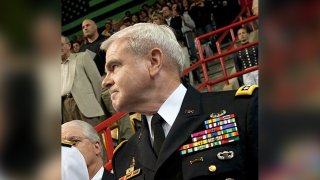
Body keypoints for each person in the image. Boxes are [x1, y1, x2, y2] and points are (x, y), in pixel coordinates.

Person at [100, 23, 258, 179]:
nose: (105, 82)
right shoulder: (123, 158)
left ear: (153, 62)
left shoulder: (245, 109)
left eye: (114, 66)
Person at [61, 35, 104, 126]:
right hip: (65, 108)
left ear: (69, 45)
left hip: (86, 105)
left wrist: (94, 103)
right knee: (75, 138)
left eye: (61, 44)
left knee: (94, 135)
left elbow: (96, 81)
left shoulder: (83, 57)